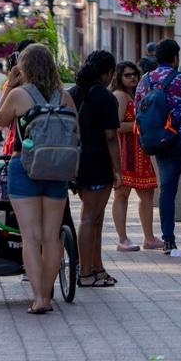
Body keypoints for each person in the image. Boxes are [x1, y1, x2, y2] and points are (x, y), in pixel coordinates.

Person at [0, 44, 78, 313]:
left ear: (24, 67)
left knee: (30, 237)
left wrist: (11, 84)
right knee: (51, 238)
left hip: (25, 167)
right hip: (58, 170)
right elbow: (77, 131)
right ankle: (47, 296)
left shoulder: (19, 94)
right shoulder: (64, 96)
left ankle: (38, 298)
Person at [134, 38, 181, 253]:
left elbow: (139, 109)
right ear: (176, 58)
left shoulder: (144, 81)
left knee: (167, 190)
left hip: (161, 141)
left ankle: (168, 239)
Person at [69, 50, 122, 287]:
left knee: (94, 217)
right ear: (108, 73)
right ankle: (85, 272)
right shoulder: (105, 97)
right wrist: (118, 168)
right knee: (90, 217)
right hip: (98, 161)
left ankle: (97, 267)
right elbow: (112, 137)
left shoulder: (73, 93)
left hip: (76, 161)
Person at [110, 61, 159, 252]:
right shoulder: (120, 96)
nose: (133, 78)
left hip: (140, 151)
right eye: (127, 75)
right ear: (119, 77)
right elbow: (116, 125)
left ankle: (149, 237)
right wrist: (139, 124)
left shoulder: (135, 94)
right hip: (126, 151)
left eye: (134, 74)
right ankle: (122, 238)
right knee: (122, 195)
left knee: (147, 194)